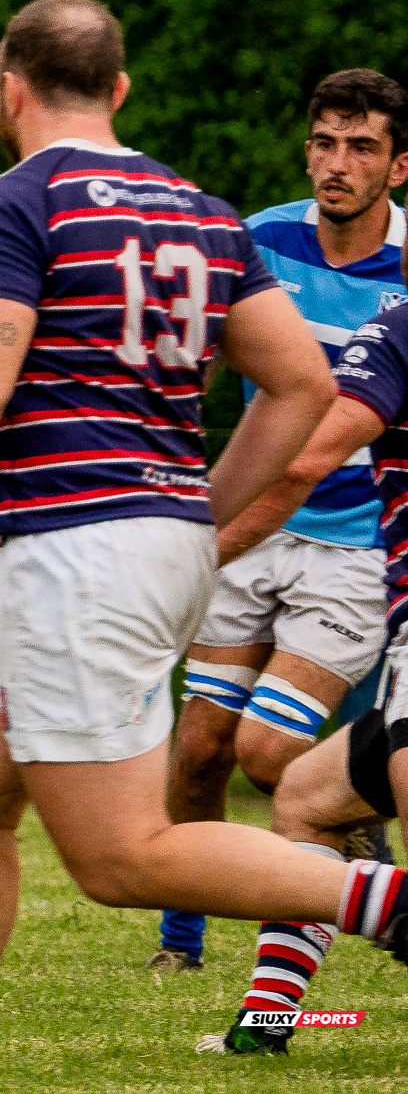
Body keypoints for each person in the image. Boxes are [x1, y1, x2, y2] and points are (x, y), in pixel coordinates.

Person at [0, 0, 408, 1094]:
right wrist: (201, 513)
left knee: (121, 859)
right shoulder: (205, 211)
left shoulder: (23, 200)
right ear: (119, 90)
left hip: (74, 549)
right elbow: (302, 386)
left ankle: (388, 904)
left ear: (9, 87)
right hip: (144, 545)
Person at [153, 69, 408, 972]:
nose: (337, 164)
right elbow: (193, 376)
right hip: (254, 520)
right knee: (199, 744)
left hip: (356, 543)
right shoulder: (256, 240)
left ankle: (353, 835)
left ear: (399, 165)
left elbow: (316, 454)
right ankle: (180, 942)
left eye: (362, 146)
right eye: (324, 142)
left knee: (269, 749)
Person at [190, 292, 408, 1055]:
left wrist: (189, 554)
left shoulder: (399, 322)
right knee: (309, 799)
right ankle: (267, 1025)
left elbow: (309, 457)